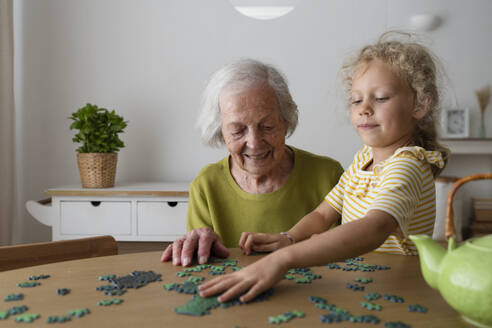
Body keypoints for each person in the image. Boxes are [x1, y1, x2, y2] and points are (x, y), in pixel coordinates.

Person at [199, 32, 450, 303]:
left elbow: (374, 228)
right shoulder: (363, 159)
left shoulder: (409, 164)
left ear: (420, 104)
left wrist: (284, 259)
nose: (364, 109)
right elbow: (323, 214)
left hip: (398, 295)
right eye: (357, 100)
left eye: (380, 98)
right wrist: (289, 238)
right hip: (362, 288)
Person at [160, 59, 344, 267]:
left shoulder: (329, 175)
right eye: (238, 130)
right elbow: (199, 269)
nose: (254, 144)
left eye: (267, 126)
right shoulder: (206, 185)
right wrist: (197, 245)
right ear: (220, 131)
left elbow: (355, 256)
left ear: (286, 121)